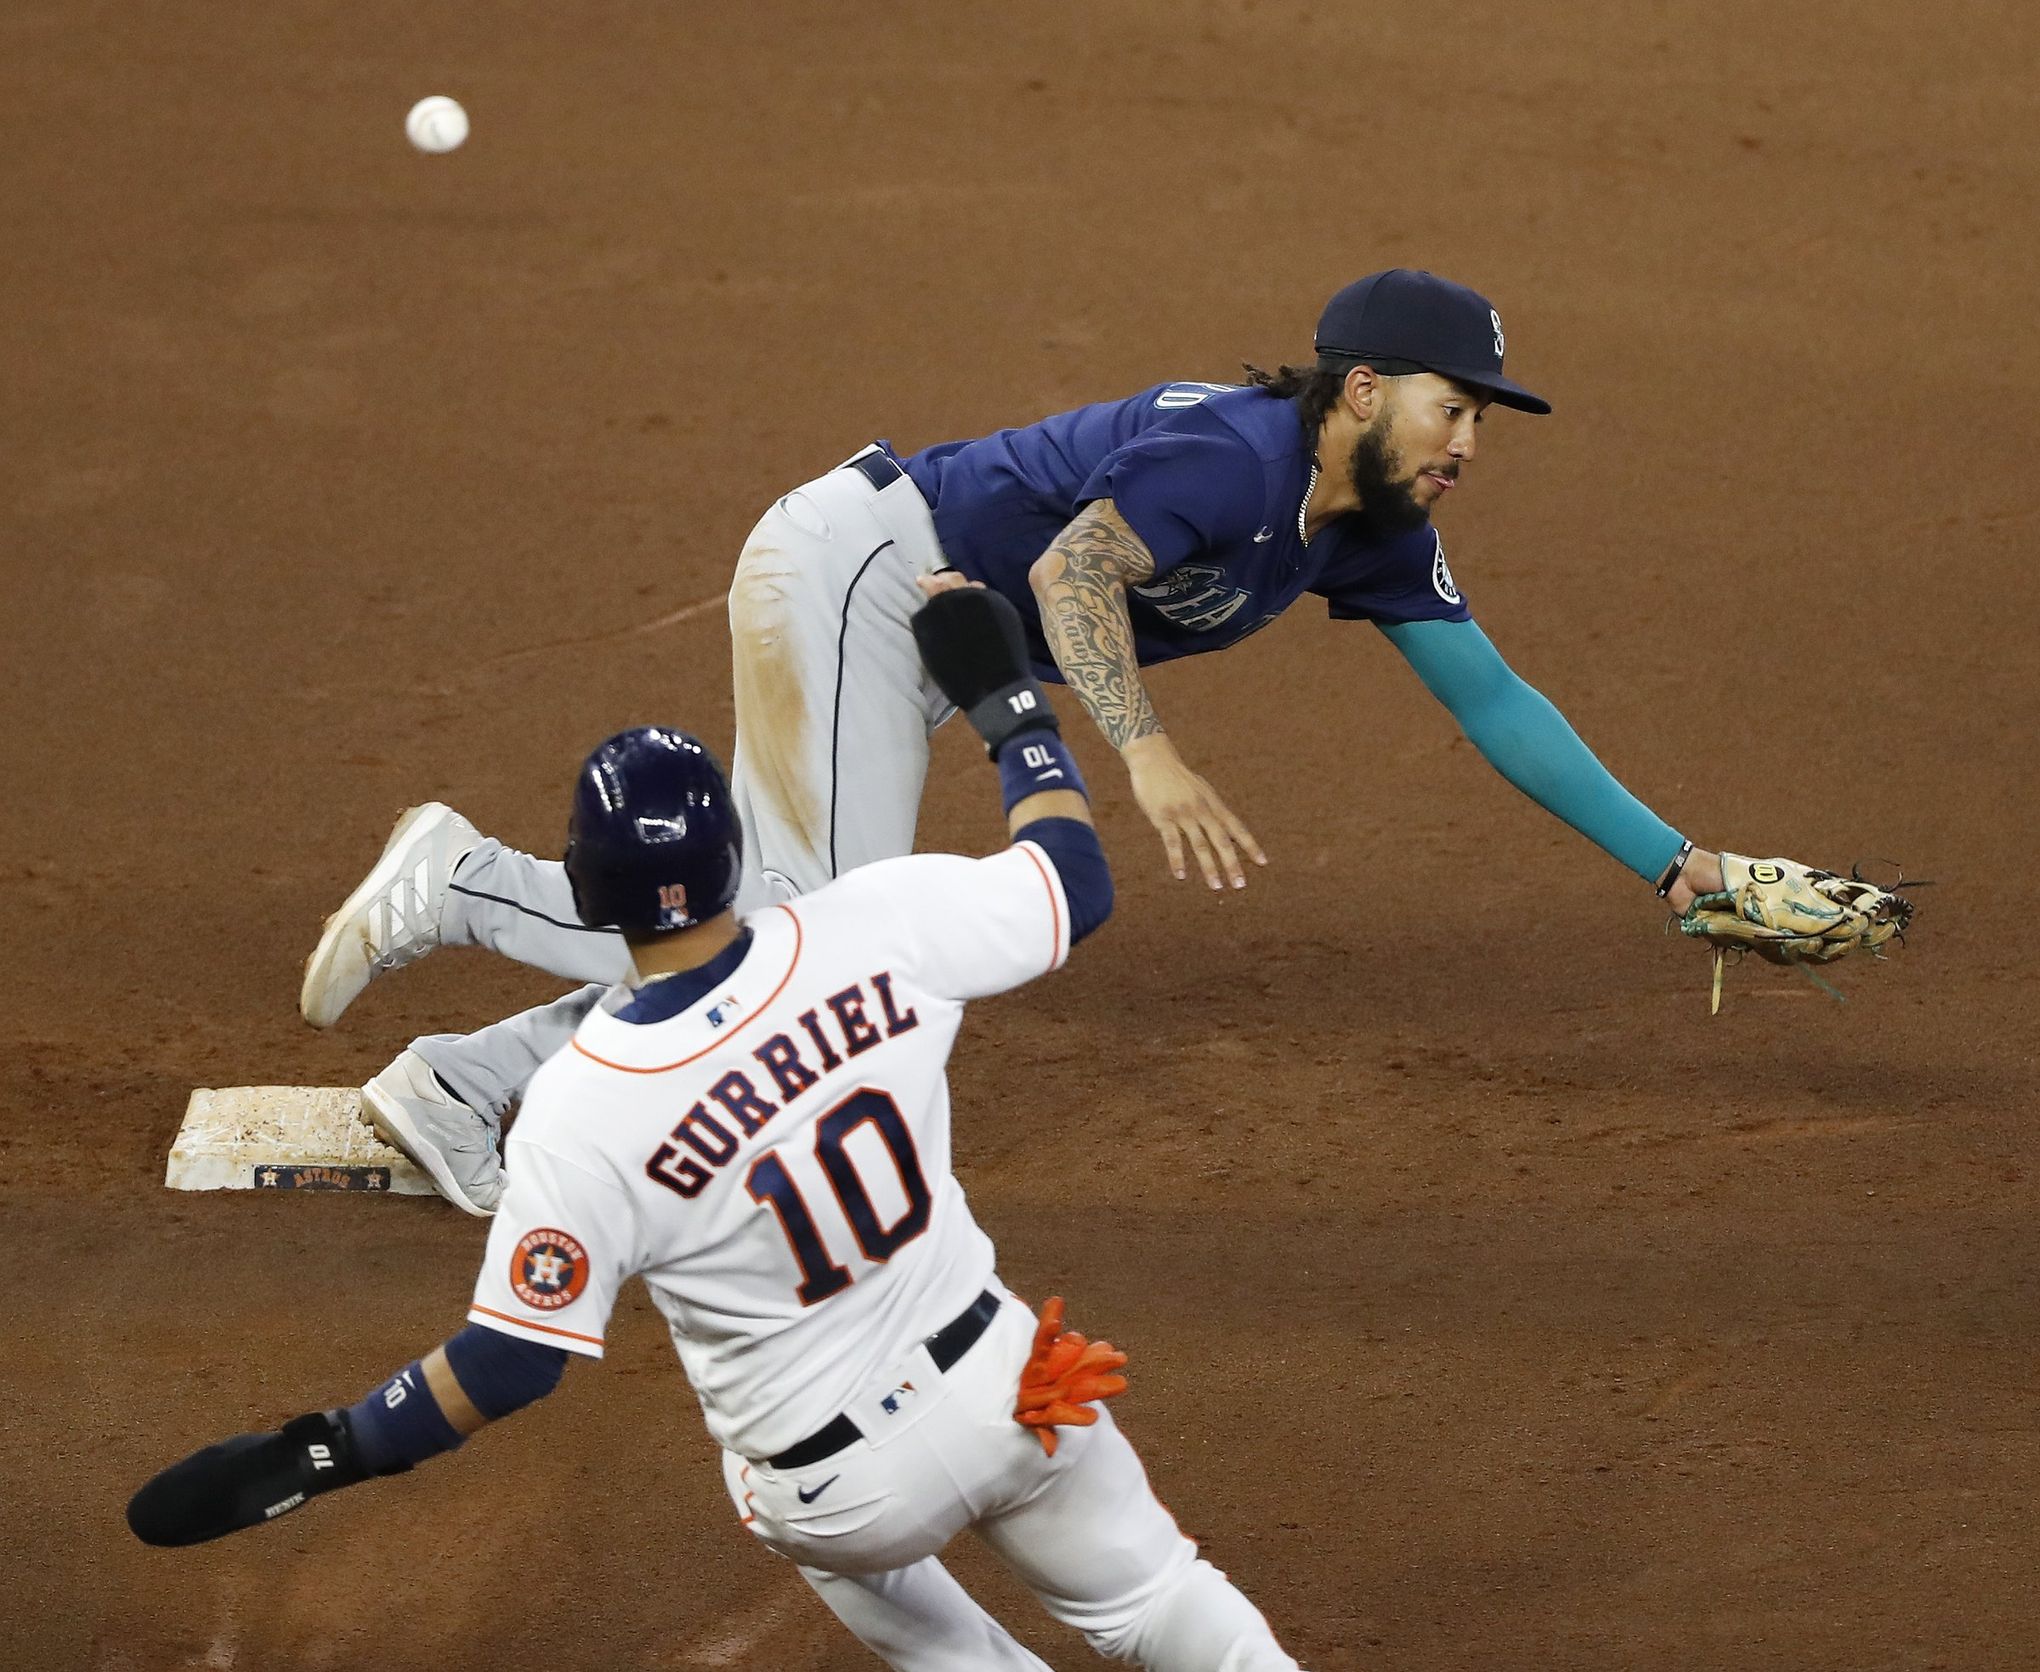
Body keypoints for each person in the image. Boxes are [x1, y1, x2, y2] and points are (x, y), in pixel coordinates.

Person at [301, 267, 1726, 1214]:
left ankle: (464, 1085)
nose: (1467, 439)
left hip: (912, 636)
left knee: (783, 936)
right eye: (1450, 405)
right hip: (866, 572)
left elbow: (1495, 704)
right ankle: (468, 883)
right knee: (805, 937)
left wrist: (1676, 869)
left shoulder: (1371, 531)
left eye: (1478, 415)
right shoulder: (1236, 454)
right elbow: (1069, 576)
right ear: (1362, 388)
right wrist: (1149, 752)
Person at [131, 590, 1307, 1671]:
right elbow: (1071, 879)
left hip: (840, 1494)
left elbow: (511, 1360)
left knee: (866, 1571)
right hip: (1013, 1391)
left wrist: (323, 1449)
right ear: (734, 859)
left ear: (586, 899)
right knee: (1160, 1599)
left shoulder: (584, 1106)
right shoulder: (874, 923)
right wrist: (1010, 712)